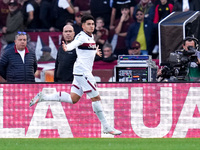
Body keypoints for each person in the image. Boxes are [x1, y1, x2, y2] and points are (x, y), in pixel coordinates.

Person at [30, 15, 122, 135]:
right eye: (88, 24)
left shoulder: (91, 36)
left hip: (79, 72)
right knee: (96, 98)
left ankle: (44, 97)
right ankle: (106, 126)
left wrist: (95, 51)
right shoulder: (81, 36)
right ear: (83, 26)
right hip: (83, 72)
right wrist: (67, 47)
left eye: (93, 24)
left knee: (73, 99)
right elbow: (75, 44)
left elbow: (85, 49)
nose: (91, 26)